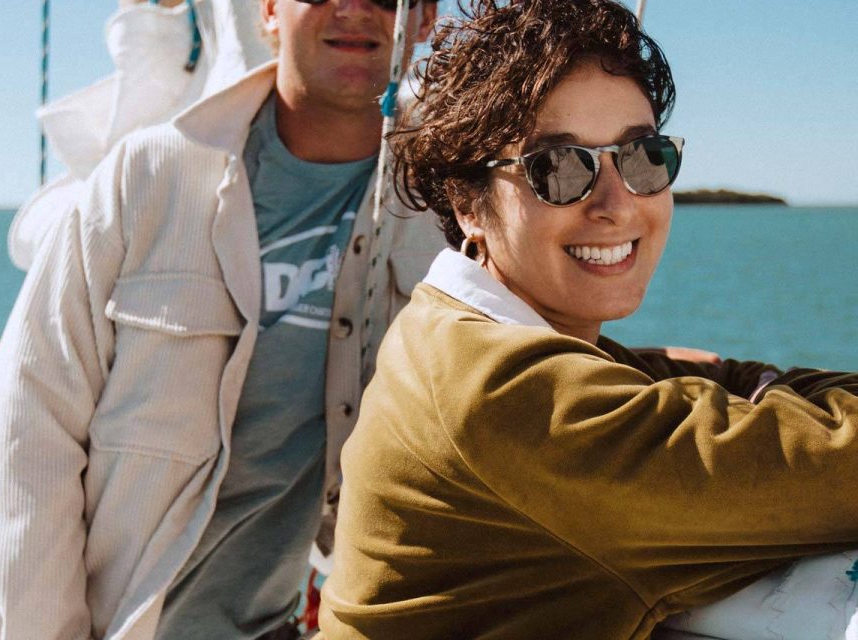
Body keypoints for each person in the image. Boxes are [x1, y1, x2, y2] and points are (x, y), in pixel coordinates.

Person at [318, 1, 858, 639]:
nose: (616, 203)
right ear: (468, 202)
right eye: (558, 168)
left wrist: (740, 384)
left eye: (643, 156)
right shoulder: (503, 398)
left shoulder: (450, 330)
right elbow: (833, 471)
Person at [0, 1, 440, 638]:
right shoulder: (147, 176)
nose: (353, 9)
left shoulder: (452, 211)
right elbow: (22, 438)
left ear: (424, 18)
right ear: (268, 11)